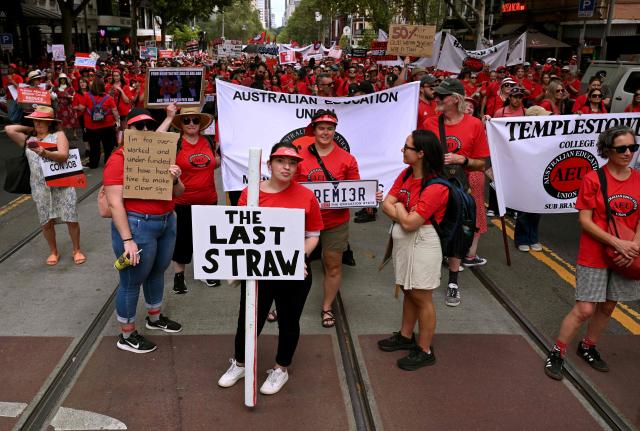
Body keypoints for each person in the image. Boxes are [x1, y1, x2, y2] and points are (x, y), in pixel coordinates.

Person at [218, 142, 323, 394]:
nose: (287, 167)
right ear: (269, 164)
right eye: (281, 161)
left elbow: (313, 234)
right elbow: (239, 232)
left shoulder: (306, 196)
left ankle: (280, 369)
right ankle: (241, 363)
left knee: (289, 319)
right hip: (258, 270)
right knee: (249, 318)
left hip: (294, 268)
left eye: (292, 163)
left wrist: (300, 257)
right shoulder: (250, 193)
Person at [545, 125, 640, 380]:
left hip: (627, 253)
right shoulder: (593, 179)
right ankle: (557, 352)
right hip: (595, 253)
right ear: (608, 149)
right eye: (622, 148)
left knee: (608, 306)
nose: (628, 152)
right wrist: (617, 243)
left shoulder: (639, 178)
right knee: (585, 308)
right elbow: (585, 220)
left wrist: (633, 247)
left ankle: (588, 346)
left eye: (633, 147)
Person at [103, 107, 184, 354]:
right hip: (138, 225)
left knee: (158, 270)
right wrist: (127, 240)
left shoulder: (160, 154)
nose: (146, 130)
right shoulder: (119, 159)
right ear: (128, 130)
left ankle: (154, 317)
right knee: (130, 280)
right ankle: (126, 335)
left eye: (149, 125)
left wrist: (176, 179)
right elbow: (115, 202)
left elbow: (179, 193)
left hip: (166, 221)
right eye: (139, 126)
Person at [378, 130, 449, 370]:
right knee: (408, 291)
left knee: (421, 296)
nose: (402, 150)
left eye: (406, 147)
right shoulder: (407, 173)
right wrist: (401, 210)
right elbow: (386, 203)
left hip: (424, 242)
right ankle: (406, 336)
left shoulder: (436, 187)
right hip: (406, 242)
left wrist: (398, 209)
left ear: (420, 154)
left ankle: (425, 349)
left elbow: (410, 223)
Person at [423, 78, 490, 307]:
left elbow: (482, 163)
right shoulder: (431, 123)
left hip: (460, 189)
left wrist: (463, 159)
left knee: (458, 236)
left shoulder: (474, 125)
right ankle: (426, 280)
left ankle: (453, 282)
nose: (437, 99)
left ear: (456, 99)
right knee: (430, 233)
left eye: (442, 96)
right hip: (433, 188)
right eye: (436, 95)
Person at [295, 110, 360, 328]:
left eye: (330, 128)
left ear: (335, 130)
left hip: (335, 222)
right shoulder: (299, 154)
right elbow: (288, 184)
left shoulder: (347, 158)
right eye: (321, 128)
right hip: (303, 221)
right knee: (294, 264)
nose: (325, 132)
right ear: (313, 130)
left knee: (333, 266)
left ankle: (327, 307)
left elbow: (356, 189)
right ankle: (286, 303)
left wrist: (370, 196)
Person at [5, 106, 85, 266]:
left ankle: (76, 249)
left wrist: (44, 153)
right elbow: (9, 128)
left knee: (71, 218)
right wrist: (30, 127)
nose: (38, 123)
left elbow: (63, 156)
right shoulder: (29, 139)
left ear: (50, 123)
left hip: (62, 184)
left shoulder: (58, 135)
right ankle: (53, 251)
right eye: (36, 120)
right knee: (46, 222)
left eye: (42, 121)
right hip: (40, 187)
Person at [166, 107, 221, 292]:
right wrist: (168, 117)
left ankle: (207, 271)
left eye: (195, 120)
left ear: (200, 123)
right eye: (186, 120)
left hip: (209, 199)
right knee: (182, 240)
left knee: (207, 238)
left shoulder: (207, 141)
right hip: (183, 201)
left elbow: (214, 163)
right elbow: (155, 144)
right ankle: (179, 276)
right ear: (180, 124)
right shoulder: (175, 144)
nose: (191, 124)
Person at [76, 77, 119, 168]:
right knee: (108, 146)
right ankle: (108, 162)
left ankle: (93, 163)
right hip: (107, 125)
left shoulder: (87, 96)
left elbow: (82, 108)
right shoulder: (109, 98)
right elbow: (115, 111)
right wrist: (117, 121)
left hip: (91, 126)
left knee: (94, 146)